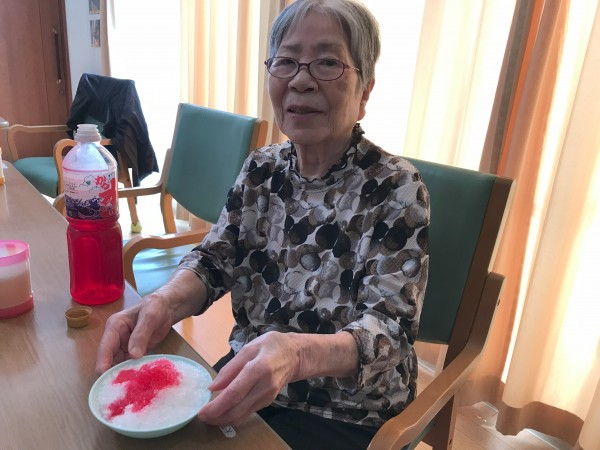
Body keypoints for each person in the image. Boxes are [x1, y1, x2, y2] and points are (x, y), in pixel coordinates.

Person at [96, 1, 430, 448]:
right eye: (286, 61)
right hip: (250, 374)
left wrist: (296, 355)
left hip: (349, 411)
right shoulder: (262, 168)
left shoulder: (396, 186)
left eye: (327, 62)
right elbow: (214, 260)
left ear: (364, 93)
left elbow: (390, 329)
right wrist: (164, 301)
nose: (301, 80)